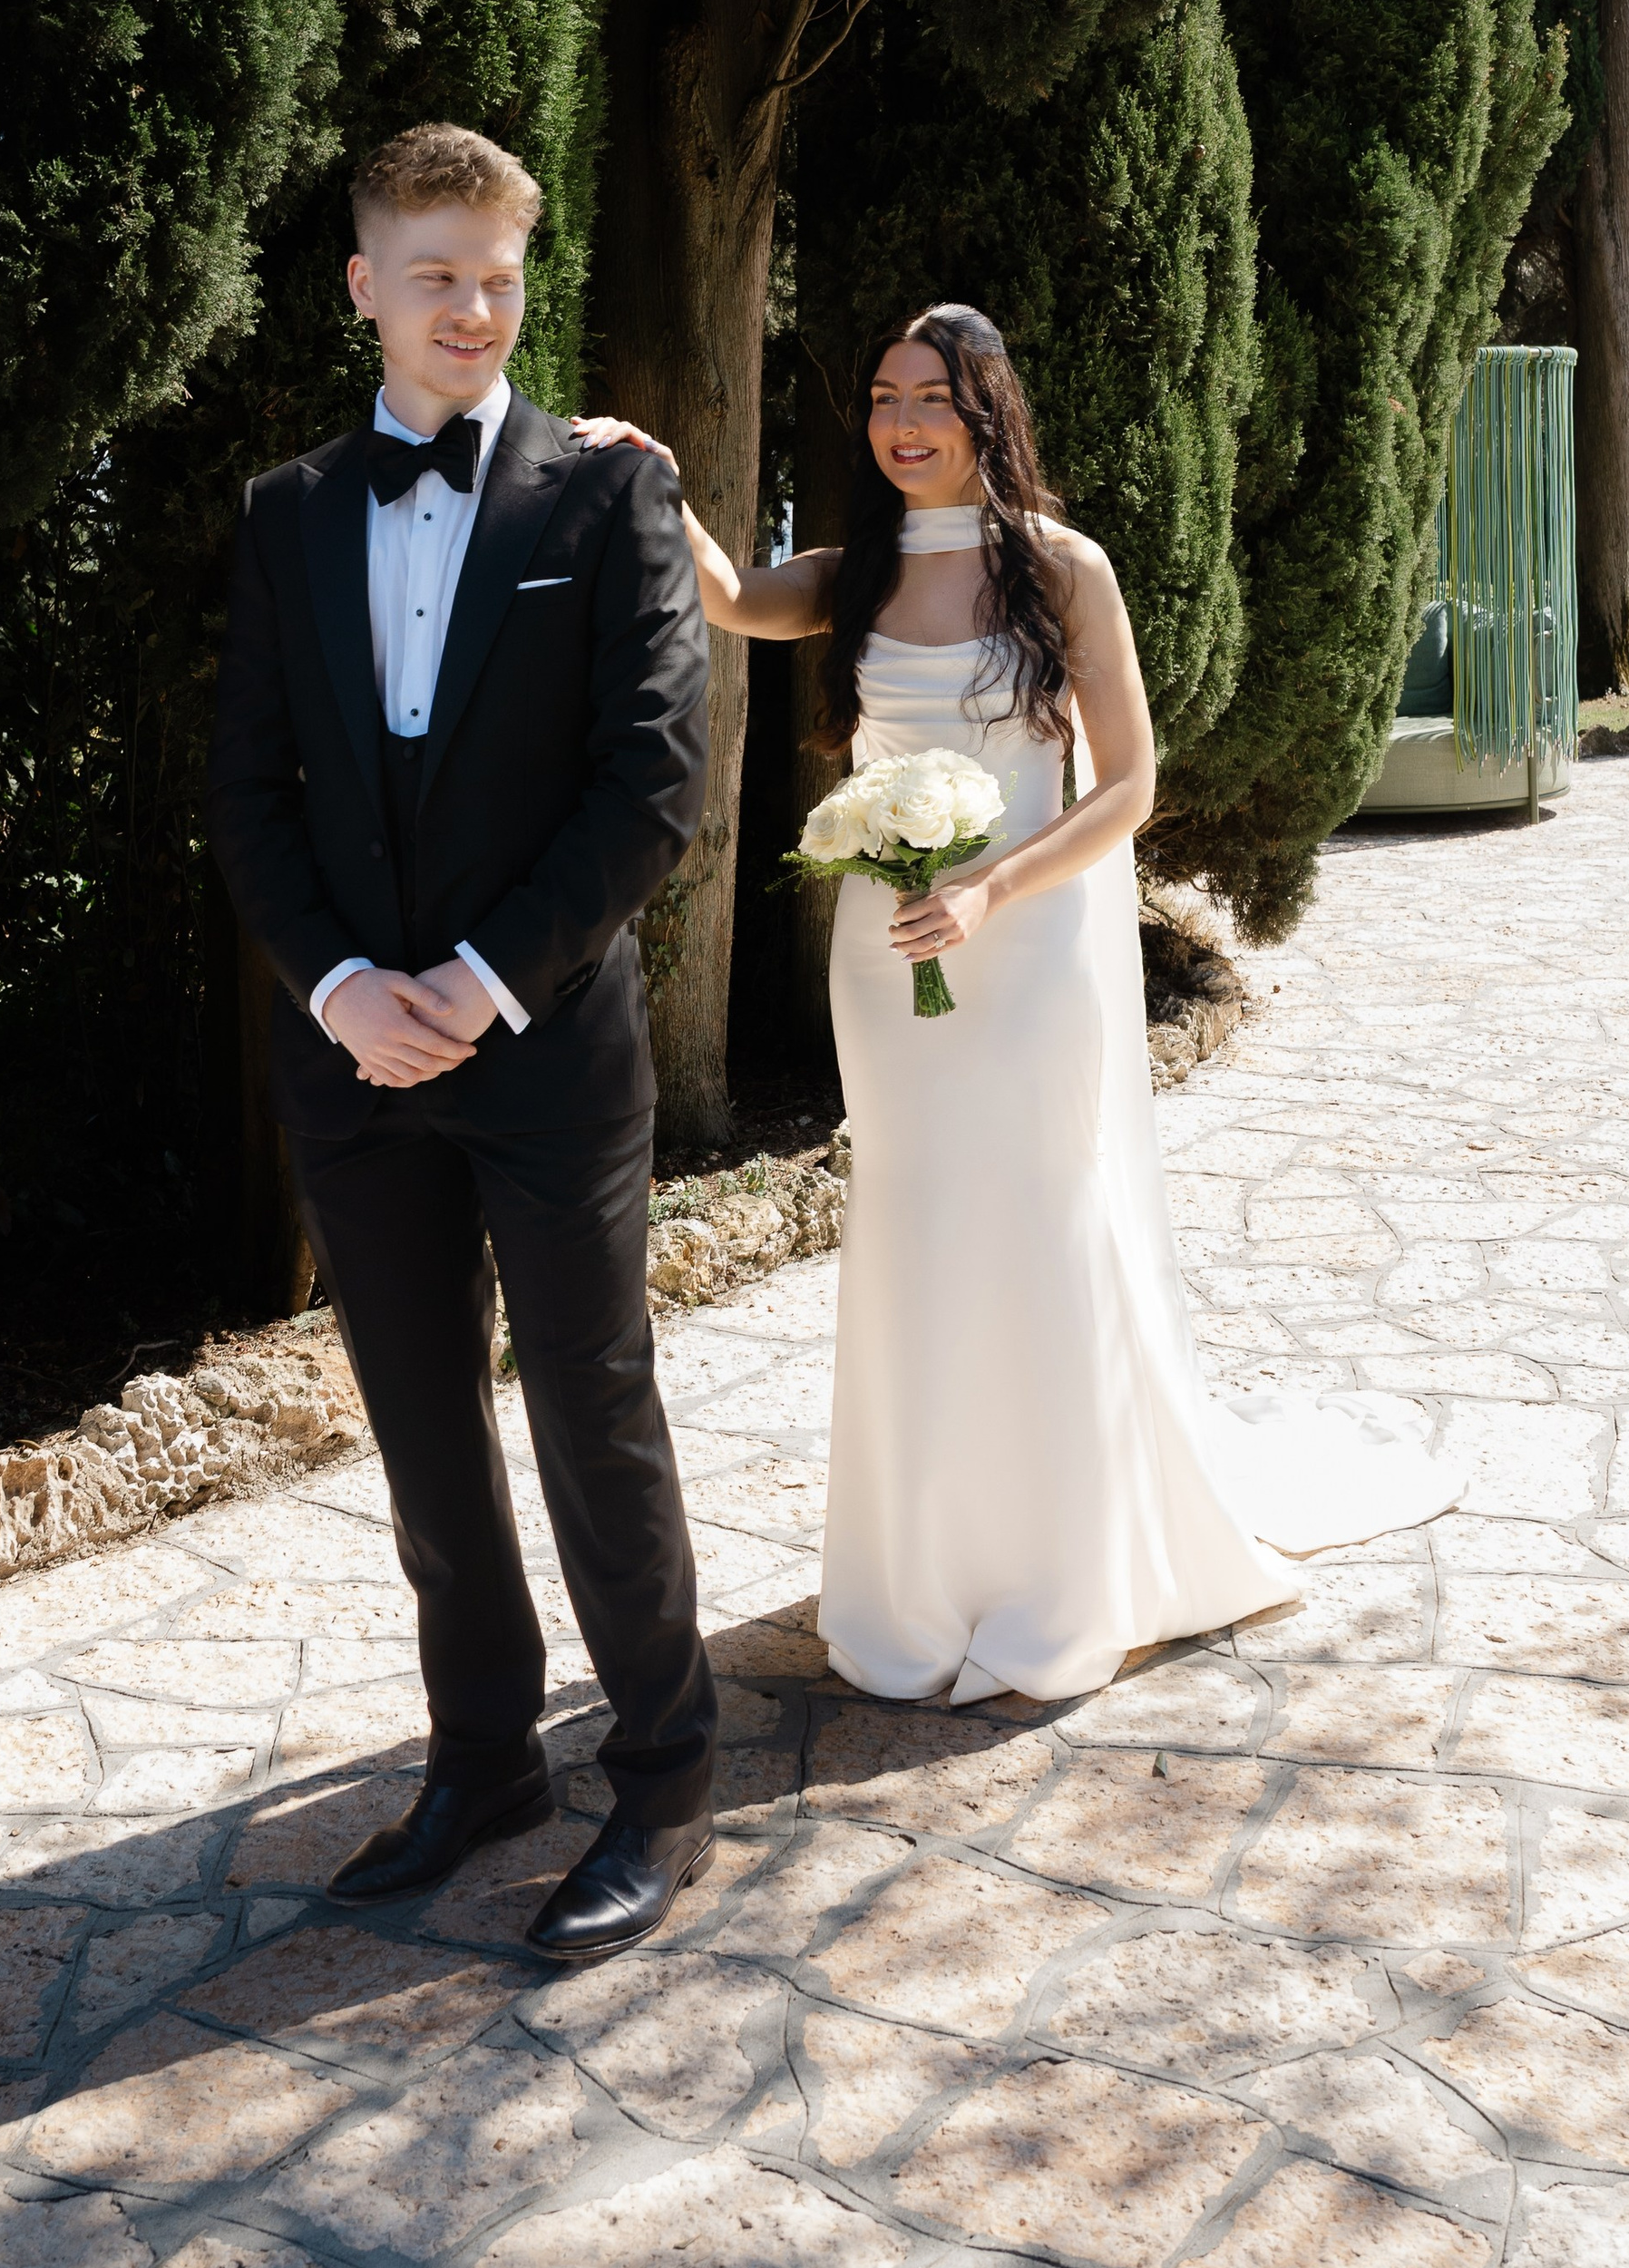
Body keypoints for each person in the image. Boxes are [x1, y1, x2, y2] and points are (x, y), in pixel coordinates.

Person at [578, 304, 1456, 1705]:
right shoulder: (857, 571)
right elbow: (736, 602)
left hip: (1035, 947)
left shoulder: (1063, 569)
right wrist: (662, 478)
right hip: (887, 948)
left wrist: (991, 893)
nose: (901, 421)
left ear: (989, 412)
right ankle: (924, 1566)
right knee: (919, 1228)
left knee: (1039, 1218)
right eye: (882, 397)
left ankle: (1059, 1570)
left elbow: (1128, 788)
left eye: (932, 396)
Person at [207, 122, 719, 1961]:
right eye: (435, 275)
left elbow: (651, 781)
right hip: (352, 1069)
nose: (473, 310)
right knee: (424, 1432)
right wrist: (345, 990)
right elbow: (248, 792)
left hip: (547, 1051)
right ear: (364, 286)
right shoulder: (283, 515)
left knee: (595, 1419)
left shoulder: (606, 498)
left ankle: (662, 1787)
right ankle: (486, 1761)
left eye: (499, 277)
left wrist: (484, 982)